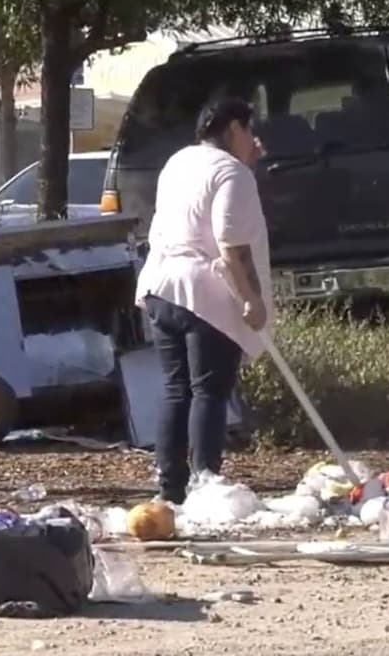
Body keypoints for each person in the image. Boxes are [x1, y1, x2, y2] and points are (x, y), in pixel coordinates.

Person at [134, 97, 272, 505]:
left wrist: (244, 169)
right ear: (233, 129)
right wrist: (252, 299)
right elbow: (232, 244)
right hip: (204, 294)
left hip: (161, 285)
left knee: (178, 390)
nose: (254, 139)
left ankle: (170, 488)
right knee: (209, 391)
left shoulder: (179, 161)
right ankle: (205, 482)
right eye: (249, 130)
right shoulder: (233, 173)